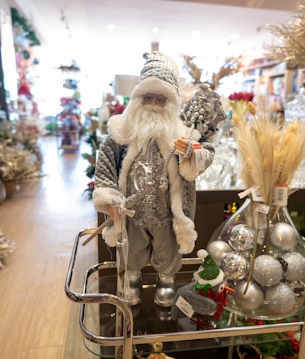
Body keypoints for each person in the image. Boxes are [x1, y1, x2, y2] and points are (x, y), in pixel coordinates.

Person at [92, 52, 216, 307]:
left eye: (160, 99)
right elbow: (104, 165)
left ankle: (166, 279)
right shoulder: (121, 131)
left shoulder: (184, 134)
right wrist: (109, 195)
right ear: (138, 99)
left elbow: (207, 154)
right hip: (131, 209)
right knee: (132, 248)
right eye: (148, 97)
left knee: (167, 248)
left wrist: (192, 153)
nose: (153, 103)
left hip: (168, 212)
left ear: (170, 103)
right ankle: (133, 277)